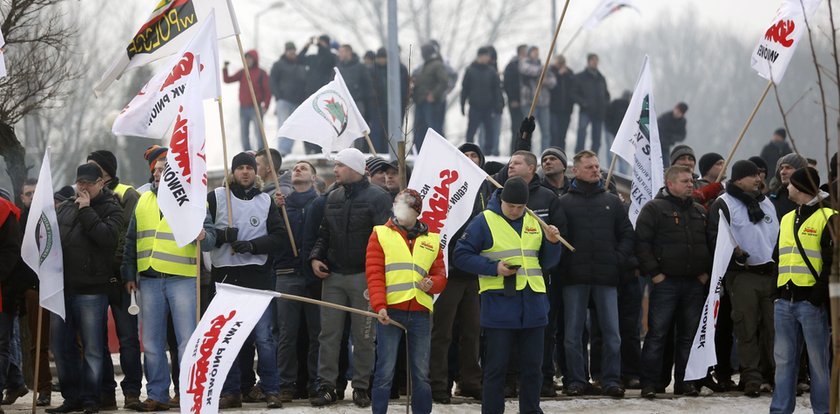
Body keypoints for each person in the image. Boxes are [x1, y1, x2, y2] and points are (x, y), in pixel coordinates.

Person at [454, 176, 562, 414]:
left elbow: (547, 262)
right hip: (500, 305)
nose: (514, 211)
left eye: (519, 207)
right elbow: (460, 255)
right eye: (510, 206)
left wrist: (553, 243)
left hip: (533, 305)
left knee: (533, 368)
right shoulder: (484, 221)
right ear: (501, 200)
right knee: (495, 369)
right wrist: (494, 268)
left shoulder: (535, 221)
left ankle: (531, 410)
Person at [121, 158, 215, 411]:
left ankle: (188, 393)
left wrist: (204, 236)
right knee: (151, 343)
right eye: (157, 170)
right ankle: (157, 395)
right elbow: (131, 241)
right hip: (149, 280)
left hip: (181, 278)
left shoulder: (194, 202)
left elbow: (211, 239)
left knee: (187, 341)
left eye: (165, 170)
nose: (159, 173)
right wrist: (129, 274)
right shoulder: (143, 200)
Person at [309, 148, 393, 407]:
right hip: (333, 276)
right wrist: (315, 257)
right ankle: (327, 386)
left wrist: (379, 274)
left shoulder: (379, 197)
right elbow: (324, 234)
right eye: (335, 165)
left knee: (364, 335)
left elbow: (386, 239)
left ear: (355, 168)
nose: (335, 170)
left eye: (340, 165)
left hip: (364, 277)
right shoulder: (332, 196)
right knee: (329, 334)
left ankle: (361, 387)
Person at [208, 152, 286, 409]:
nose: (245, 172)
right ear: (233, 172)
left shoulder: (266, 201)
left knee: (264, 338)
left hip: (258, 279)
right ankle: (231, 391)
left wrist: (252, 245)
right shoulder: (217, 198)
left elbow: (278, 238)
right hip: (225, 277)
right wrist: (222, 236)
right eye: (240, 168)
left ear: (256, 172)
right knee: (228, 338)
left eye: (249, 168)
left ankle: (271, 389)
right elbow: (202, 232)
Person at [557, 150, 634, 398]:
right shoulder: (564, 202)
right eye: (589, 167)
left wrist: (617, 260)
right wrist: (566, 264)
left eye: (597, 166)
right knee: (573, 335)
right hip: (574, 279)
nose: (595, 170)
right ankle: (576, 380)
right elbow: (558, 239)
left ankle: (611, 379)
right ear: (575, 170)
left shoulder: (612, 202)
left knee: (613, 334)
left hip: (606, 278)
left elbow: (627, 235)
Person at [49, 164, 123, 414]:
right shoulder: (67, 206)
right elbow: (54, 240)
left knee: (93, 347)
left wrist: (87, 210)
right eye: (80, 182)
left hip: (92, 290)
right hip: (64, 288)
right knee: (61, 346)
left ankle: (92, 398)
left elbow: (107, 239)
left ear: (101, 183)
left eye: (89, 183)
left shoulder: (112, 207)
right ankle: (71, 397)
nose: (83, 187)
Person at [366, 189, 447, 414]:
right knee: (384, 371)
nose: (399, 208)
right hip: (390, 313)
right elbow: (374, 275)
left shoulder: (432, 239)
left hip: (420, 312)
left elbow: (441, 275)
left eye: (405, 205)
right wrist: (379, 306)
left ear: (416, 211)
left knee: (421, 373)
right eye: (397, 203)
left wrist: (433, 282)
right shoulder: (380, 233)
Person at [635, 166, 711, 398]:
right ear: (670, 184)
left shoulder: (699, 211)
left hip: (693, 284)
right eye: (686, 180)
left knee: (688, 336)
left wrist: (704, 273)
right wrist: (655, 273)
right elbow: (641, 244)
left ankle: (685, 382)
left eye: (692, 180)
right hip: (665, 283)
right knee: (657, 334)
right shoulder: (654, 209)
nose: (691, 184)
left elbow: (708, 243)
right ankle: (650, 383)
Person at [708, 160, 780, 397]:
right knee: (746, 328)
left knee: (771, 328)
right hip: (742, 275)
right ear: (739, 180)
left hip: (768, 274)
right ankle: (751, 377)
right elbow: (716, 240)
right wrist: (735, 258)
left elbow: (774, 236)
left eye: (759, 176)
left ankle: (773, 374)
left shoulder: (766, 203)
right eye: (752, 177)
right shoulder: (724, 204)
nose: (758, 180)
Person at [430, 143, 491, 404]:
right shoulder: (447, 185)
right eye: (464, 155)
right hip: (449, 272)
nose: (469, 159)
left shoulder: (486, 188)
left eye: (474, 155)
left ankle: (470, 381)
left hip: (475, 273)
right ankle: (437, 383)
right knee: (442, 332)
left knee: (472, 331)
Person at [770, 167, 833, 414]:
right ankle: (780, 410)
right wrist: (775, 294)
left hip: (811, 303)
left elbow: (833, 263)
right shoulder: (787, 217)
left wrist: (817, 296)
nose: (787, 187)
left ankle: (823, 410)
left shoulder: (829, 216)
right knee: (784, 363)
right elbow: (778, 258)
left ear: (800, 187)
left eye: (791, 184)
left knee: (818, 365)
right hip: (785, 301)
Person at [86, 150, 143, 411]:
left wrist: (122, 268)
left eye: (93, 168)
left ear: (106, 171)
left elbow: (127, 236)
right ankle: (106, 393)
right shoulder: (85, 196)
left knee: (128, 338)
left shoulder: (127, 194)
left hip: (120, 278)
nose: (87, 173)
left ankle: (132, 391)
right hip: (94, 280)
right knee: (96, 340)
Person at [273, 161, 321, 402]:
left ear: (314, 177)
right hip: (287, 274)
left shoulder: (320, 204)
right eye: (295, 168)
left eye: (304, 167)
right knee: (286, 334)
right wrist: (273, 209)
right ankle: (286, 384)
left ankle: (316, 382)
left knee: (317, 333)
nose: (298, 170)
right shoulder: (281, 206)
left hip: (314, 277)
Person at [15, 178, 51, 407]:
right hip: (33, 289)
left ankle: (76, 388)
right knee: (38, 344)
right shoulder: (18, 221)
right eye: (28, 194)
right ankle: (44, 389)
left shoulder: (52, 218)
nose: (32, 197)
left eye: (36, 193)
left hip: (58, 286)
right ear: (22, 198)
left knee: (71, 342)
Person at [223, 51, 271, 152]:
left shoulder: (261, 73)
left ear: (255, 59)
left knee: (259, 132)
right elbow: (228, 80)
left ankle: (261, 152)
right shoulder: (243, 72)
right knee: (244, 132)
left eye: (250, 58)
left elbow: (268, 90)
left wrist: (266, 105)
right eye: (246, 58)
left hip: (256, 107)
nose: (248, 60)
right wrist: (225, 69)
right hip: (243, 108)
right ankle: (247, 152)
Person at [0, 194, 21, 414]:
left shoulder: (4, 211)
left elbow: (12, 250)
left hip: (3, 290)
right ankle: (16, 381)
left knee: (0, 345)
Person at [462, 46, 502, 155]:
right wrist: (462, 104)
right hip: (474, 106)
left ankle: (487, 152)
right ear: (481, 56)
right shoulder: (470, 70)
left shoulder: (491, 71)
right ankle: (468, 150)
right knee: (471, 130)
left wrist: (498, 104)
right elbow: (465, 88)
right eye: (486, 56)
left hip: (488, 107)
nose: (488, 58)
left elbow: (497, 89)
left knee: (489, 130)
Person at [369, 47, 409, 152]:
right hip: (378, 107)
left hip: (395, 108)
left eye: (384, 58)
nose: (382, 60)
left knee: (393, 133)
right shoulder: (372, 70)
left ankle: (392, 153)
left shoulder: (399, 69)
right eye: (380, 58)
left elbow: (405, 88)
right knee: (377, 132)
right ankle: (378, 153)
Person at [270, 42, 307, 155]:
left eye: (293, 51)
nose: (292, 53)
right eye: (290, 51)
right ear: (286, 51)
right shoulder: (279, 65)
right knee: (284, 124)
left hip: (297, 101)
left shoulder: (300, 64)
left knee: (294, 126)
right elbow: (272, 81)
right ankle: (282, 150)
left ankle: (287, 150)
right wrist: (278, 96)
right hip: (284, 100)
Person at [412, 43, 449, 150]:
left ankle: (437, 150)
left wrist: (433, 94)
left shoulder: (437, 64)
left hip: (432, 104)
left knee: (434, 130)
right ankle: (419, 151)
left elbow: (444, 82)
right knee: (419, 130)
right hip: (421, 102)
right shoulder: (425, 66)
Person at [519, 46, 556, 154]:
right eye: (534, 52)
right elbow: (528, 70)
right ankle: (527, 152)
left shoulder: (543, 66)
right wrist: (541, 70)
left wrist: (546, 81)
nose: (536, 54)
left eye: (537, 52)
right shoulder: (524, 63)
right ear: (529, 53)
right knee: (528, 130)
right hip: (530, 102)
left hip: (543, 103)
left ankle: (544, 152)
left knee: (546, 131)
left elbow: (553, 81)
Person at [573, 54, 610, 155]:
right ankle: (578, 156)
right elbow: (574, 94)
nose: (595, 62)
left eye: (596, 60)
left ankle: (594, 158)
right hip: (586, 111)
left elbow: (606, 94)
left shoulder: (601, 78)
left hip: (599, 112)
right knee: (582, 133)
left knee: (597, 138)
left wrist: (605, 105)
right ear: (588, 61)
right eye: (593, 60)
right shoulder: (580, 77)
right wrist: (584, 103)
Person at [337, 44, 373, 120]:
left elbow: (368, 86)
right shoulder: (338, 68)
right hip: (341, 104)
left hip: (357, 104)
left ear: (348, 52)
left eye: (341, 52)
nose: (339, 54)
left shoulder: (360, 67)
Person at [769, 153, 808, 220]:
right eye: (781, 168)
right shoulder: (773, 200)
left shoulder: (812, 199)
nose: (782, 172)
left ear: (800, 171)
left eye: (788, 168)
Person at [548, 55, 575, 151]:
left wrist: (567, 74)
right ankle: (552, 153)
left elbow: (573, 86)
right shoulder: (551, 71)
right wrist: (559, 74)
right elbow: (551, 85)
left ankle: (561, 154)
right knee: (553, 133)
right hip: (553, 109)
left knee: (562, 135)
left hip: (566, 109)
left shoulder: (569, 73)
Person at [504, 45, 527, 152]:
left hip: (527, 102)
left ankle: (525, 150)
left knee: (527, 129)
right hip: (516, 102)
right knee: (516, 128)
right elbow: (507, 84)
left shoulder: (529, 65)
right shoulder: (512, 66)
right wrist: (513, 99)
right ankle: (514, 150)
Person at [657, 103, 689, 169]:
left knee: (665, 165)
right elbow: (657, 127)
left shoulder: (682, 122)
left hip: (666, 147)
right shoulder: (665, 116)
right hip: (656, 143)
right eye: (677, 110)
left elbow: (682, 136)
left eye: (679, 112)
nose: (677, 112)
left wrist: (672, 138)